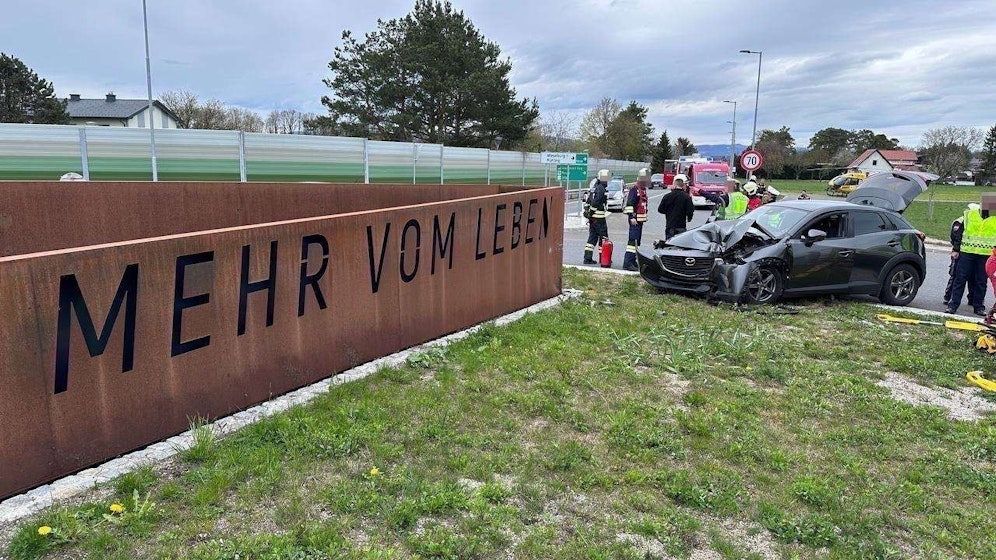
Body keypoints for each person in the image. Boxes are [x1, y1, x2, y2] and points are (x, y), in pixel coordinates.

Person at [947, 203, 996, 316]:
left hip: (985, 254)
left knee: (981, 281)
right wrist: (956, 249)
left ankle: (978, 307)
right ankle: (953, 306)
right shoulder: (970, 214)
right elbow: (959, 233)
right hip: (967, 252)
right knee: (960, 279)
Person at [944, 203, 976, 307]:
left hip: (974, 252)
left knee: (973, 277)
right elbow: (955, 237)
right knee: (956, 276)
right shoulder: (960, 221)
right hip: (960, 252)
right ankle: (948, 297)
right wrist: (956, 249)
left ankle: (972, 299)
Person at [623, 168, 650, 271]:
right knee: (632, 242)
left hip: (640, 221)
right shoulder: (635, 189)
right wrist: (632, 217)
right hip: (635, 221)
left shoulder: (642, 189)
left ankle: (633, 261)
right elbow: (630, 204)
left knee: (636, 242)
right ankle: (627, 263)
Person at [583, 169, 610, 265]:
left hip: (593, 219)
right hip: (599, 219)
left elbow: (587, 202)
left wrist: (588, 213)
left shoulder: (594, 188)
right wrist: (591, 212)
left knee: (592, 238)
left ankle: (587, 258)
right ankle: (603, 259)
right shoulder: (601, 188)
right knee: (604, 238)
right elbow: (596, 201)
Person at [658, 173, 695, 239]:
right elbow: (690, 210)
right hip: (681, 226)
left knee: (669, 244)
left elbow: (660, 209)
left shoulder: (667, 196)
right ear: (683, 185)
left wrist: (669, 212)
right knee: (680, 244)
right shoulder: (686, 197)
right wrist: (689, 218)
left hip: (670, 226)